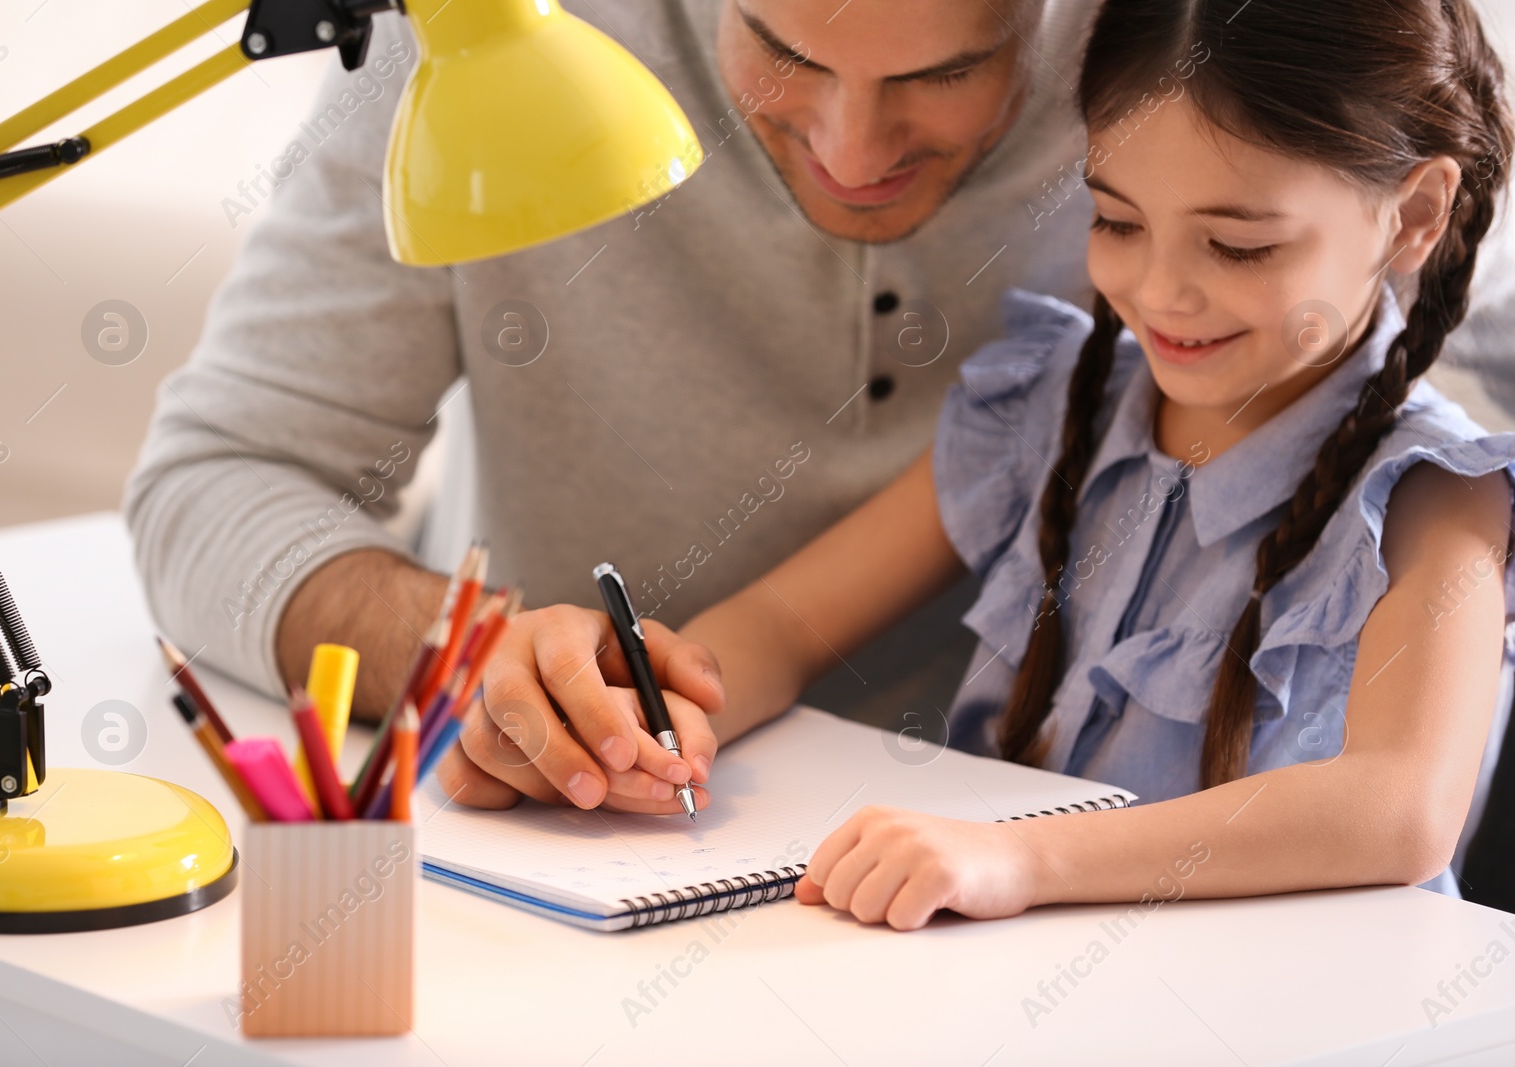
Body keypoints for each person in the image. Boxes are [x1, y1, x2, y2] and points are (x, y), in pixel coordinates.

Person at [462, 0, 1515, 930]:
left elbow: (1399, 808)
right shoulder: (1048, 403)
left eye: (1238, 247)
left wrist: (1022, 856)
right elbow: (787, 626)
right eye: (1115, 221)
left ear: (1416, 214)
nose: (1159, 292)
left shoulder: (1437, 492)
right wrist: (637, 719)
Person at [125, 0, 1108, 813]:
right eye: (780, 52)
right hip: (561, 836)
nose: (850, 155)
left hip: (999, 824)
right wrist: (478, 657)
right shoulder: (474, 32)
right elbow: (216, 481)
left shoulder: (1173, 57)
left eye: (943, 76)